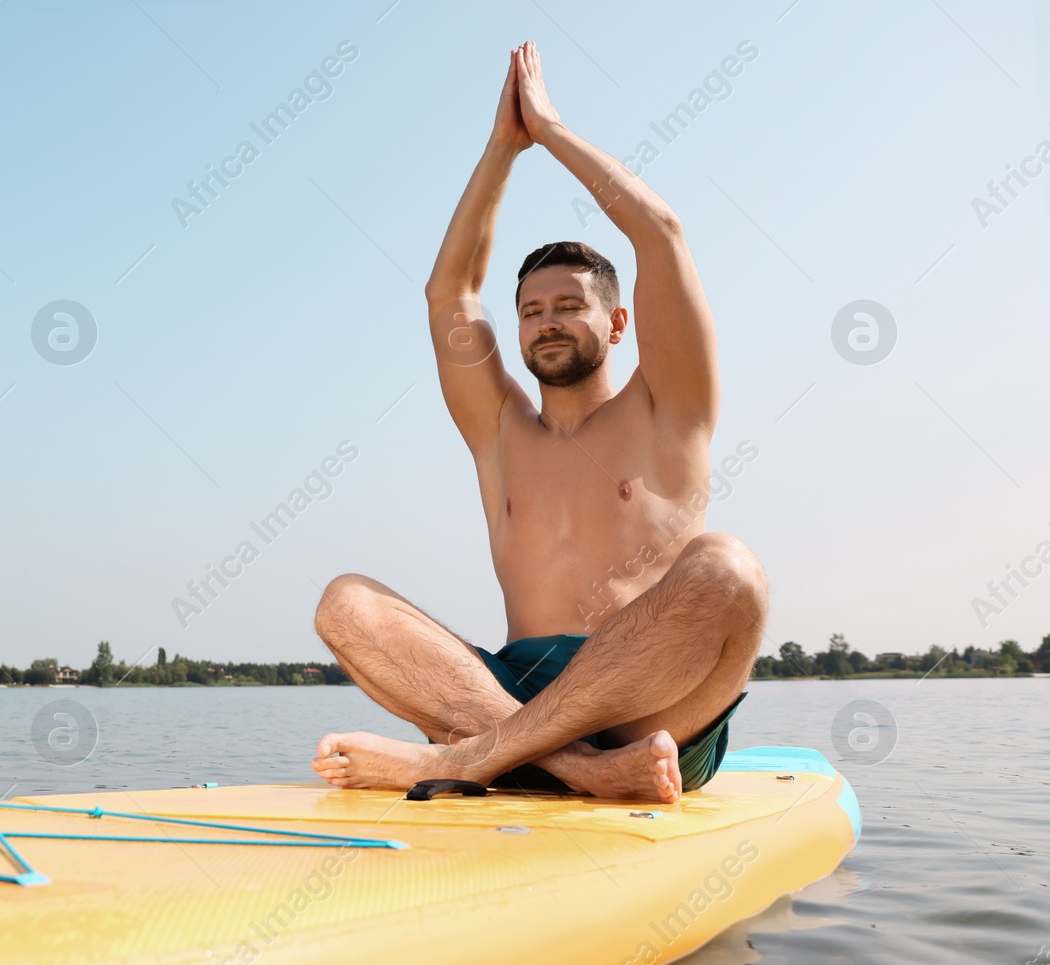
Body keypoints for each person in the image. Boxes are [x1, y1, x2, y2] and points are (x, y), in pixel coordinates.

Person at [310, 42, 767, 802]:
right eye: (530, 311)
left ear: (618, 323)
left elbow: (660, 233)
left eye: (567, 306)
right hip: (506, 694)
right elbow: (448, 290)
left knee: (731, 571)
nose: (545, 323)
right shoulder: (500, 430)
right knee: (343, 603)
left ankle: (461, 762)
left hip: (649, 708)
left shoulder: (669, 406)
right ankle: (576, 770)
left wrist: (548, 130)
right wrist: (500, 149)